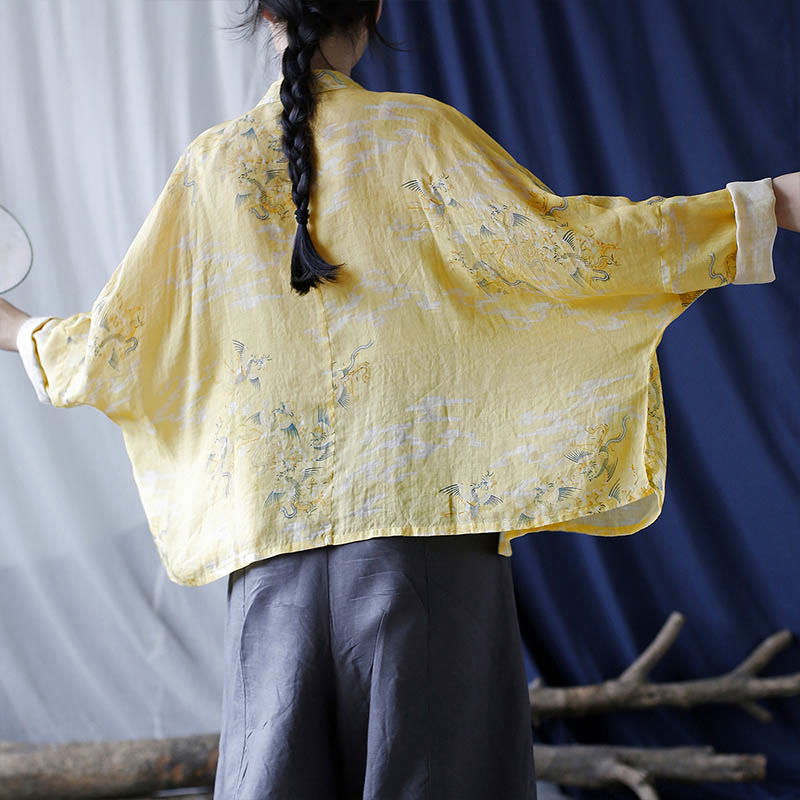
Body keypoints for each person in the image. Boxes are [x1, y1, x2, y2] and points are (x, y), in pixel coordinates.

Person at [2, 1, 799, 798]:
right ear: (374, 6)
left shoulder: (211, 168)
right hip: (427, 565)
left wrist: (16, 328)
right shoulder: (418, 136)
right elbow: (576, 253)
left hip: (273, 576)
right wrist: (765, 205)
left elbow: (116, 344)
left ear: (267, 13)